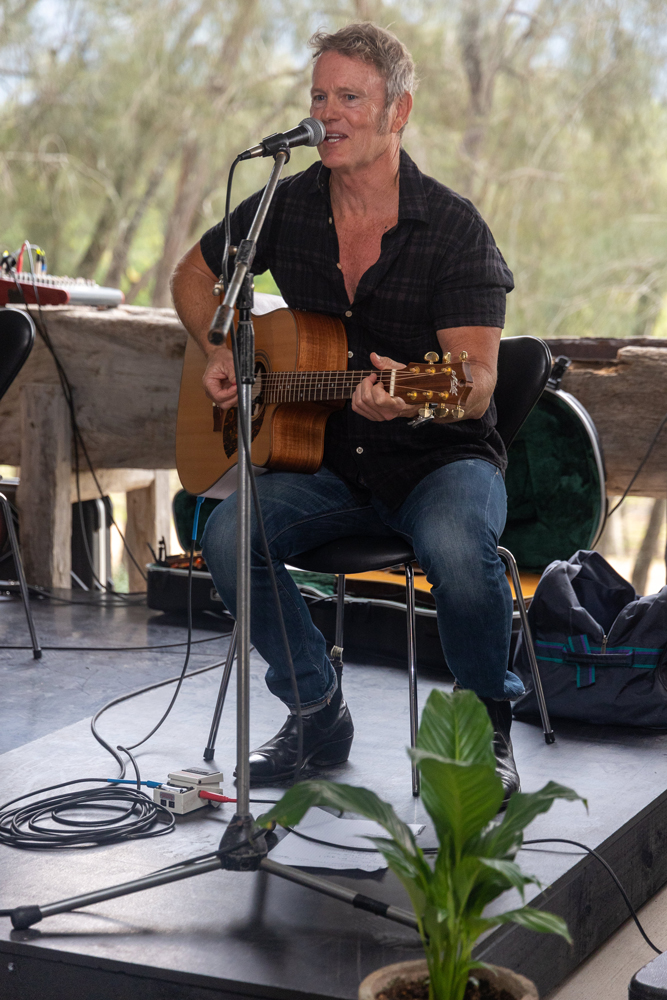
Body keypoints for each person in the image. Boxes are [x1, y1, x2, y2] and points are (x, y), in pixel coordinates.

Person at [171, 22, 524, 800]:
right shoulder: (285, 207)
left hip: (442, 459)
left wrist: (411, 398)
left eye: (350, 98)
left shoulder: (452, 228)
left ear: (397, 112)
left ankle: (482, 727)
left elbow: (474, 381)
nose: (327, 113)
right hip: (327, 462)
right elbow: (193, 275)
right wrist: (219, 350)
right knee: (225, 532)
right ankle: (316, 709)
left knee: (455, 545)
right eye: (318, 96)